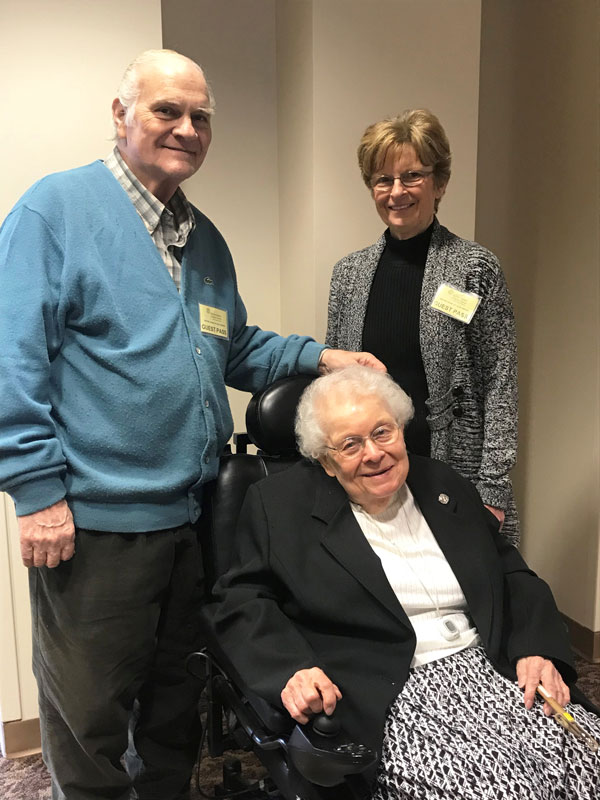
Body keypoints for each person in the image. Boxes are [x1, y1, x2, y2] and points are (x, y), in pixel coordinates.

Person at [0, 49, 384, 800]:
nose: (186, 128)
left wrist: (322, 354)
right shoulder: (56, 211)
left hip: (192, 518)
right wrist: (35, 489)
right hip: (96, 525)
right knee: (91, 718)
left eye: (200, 116)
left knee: (175, 707)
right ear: (120, 116)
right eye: (166, 111)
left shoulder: (201, 238)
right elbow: (11, 357)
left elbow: (233, 344)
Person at [209, 366, 600, 799]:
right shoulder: (278, 506)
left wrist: (535, 646)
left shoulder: (442, 484)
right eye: (350, 444)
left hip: (494, 665)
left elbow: (508, 569)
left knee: (583, 759)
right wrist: (292, 670)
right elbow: (242, 598)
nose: (374, 454)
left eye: (382, 432)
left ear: (401, 428)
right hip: (389, 687)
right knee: (498, 788)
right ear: (324, 459)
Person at [326, 109, 520, 544]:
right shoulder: (348, 274)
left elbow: (500, 382)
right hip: (371, 475)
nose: (397, 192)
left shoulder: (474, 268)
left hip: (455, 471)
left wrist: (492, 487)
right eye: (383, 179)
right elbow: (337, 387)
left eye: (412, 176)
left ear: (440, 183)